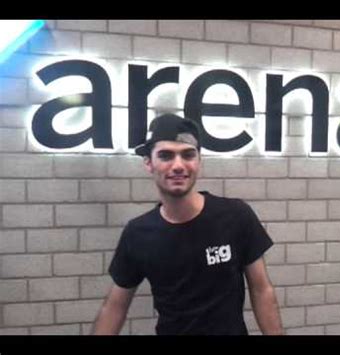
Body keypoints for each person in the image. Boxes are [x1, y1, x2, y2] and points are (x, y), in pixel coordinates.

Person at [92, 113, 283, 335]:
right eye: (166, 156)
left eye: (188, 155)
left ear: (199, 161)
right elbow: (115, 306)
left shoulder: (236, 216)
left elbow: (262, 291)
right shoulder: (138, 233)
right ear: (149, 163)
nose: (178, 165)